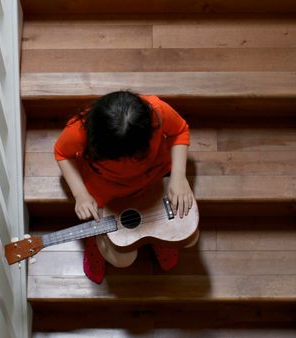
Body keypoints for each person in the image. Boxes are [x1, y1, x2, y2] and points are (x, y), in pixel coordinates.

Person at [54, 91, 195, 283]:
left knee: (190, 236)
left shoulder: (158, 112)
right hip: (106, 190)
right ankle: (99, 239)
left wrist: (178, 177)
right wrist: (80, 194)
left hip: (151, 182)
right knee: (123, 260)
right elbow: (62, 153)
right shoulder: (79, 130)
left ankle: (156, 235)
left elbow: (179, 130)